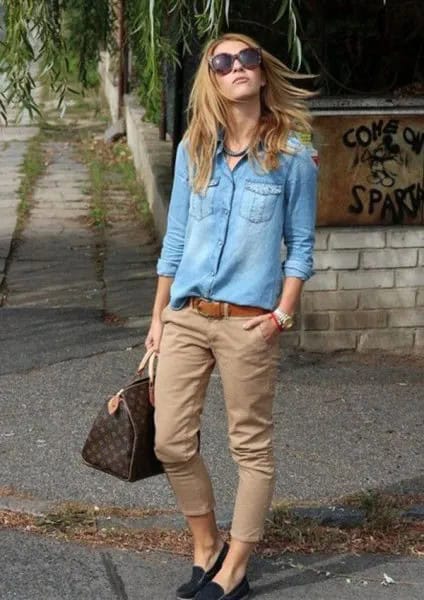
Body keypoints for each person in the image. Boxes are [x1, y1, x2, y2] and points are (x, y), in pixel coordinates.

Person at [146, 32, 318, 600]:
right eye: (224, 61)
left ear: (262, 74)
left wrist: (280, 317)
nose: (238, 66)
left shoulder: (293, 155)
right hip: (187, 316)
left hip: (249, 322)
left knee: (250, 447)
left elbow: (301, 247)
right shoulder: (193, 148)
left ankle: (236, 568)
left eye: (247, 58)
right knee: (170, 440)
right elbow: (174, 241)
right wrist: (158, 320)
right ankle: (206, 545)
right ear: (213, 79)